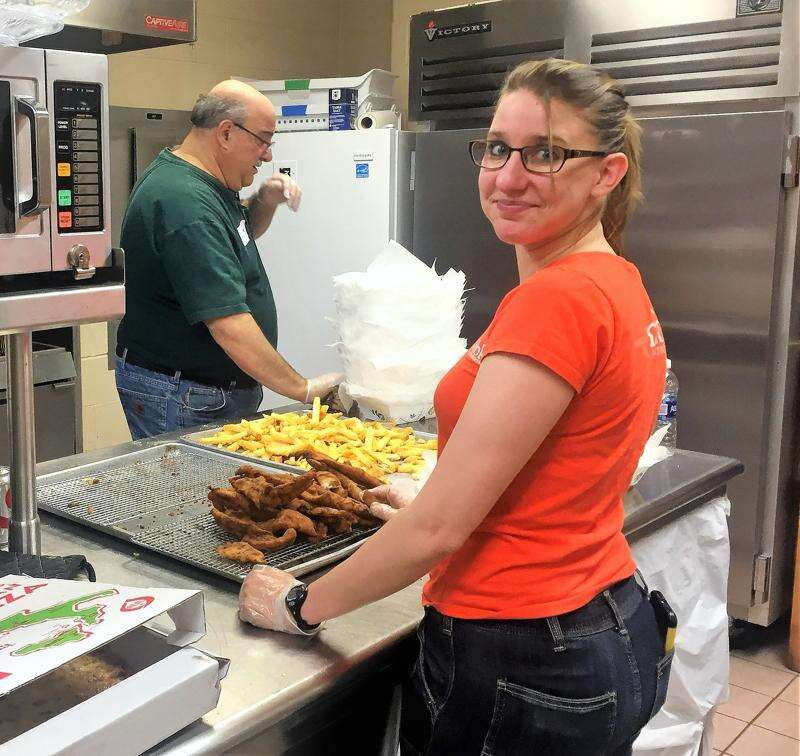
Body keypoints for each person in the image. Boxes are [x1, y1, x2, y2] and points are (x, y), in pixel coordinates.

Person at [238, 59, 672, 755]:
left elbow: (438, 533)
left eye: (547, 154)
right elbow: (564, 468)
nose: (508, 176)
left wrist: (297, 604)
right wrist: (438, 492)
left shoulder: (556, 301)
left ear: (608, 173)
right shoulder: (612, 280)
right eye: (498, 147)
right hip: (604, 618)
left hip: (521, 652)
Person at [115, 79, 342, 439]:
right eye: (263, 140)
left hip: (199, 388)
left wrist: (263, 201)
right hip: (184, 393)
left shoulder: (205, 184)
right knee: (188, 495)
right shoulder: (184, 202)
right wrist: (302, 389)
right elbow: (229, 325)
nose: (267, 155)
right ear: (225, 133)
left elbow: (235, 233)